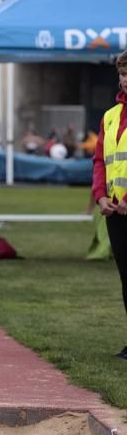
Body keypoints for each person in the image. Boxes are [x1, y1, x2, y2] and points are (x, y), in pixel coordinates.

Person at [92, 49, 127, 361]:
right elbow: (100, 161)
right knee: (126, 277)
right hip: (115, 213)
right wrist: (100, 196)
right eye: (123, 75)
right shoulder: (109, 116)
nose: (126, 81)